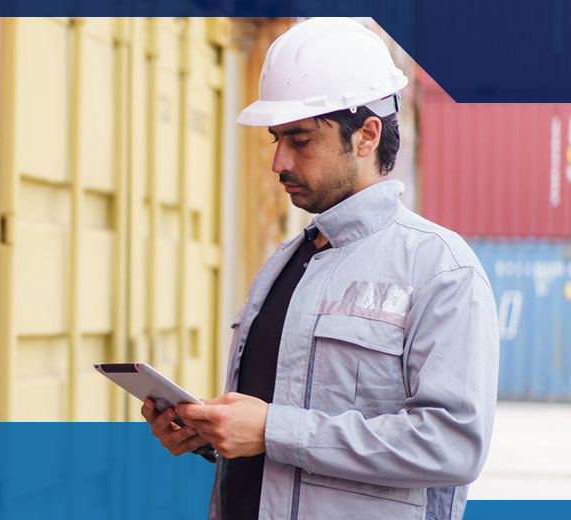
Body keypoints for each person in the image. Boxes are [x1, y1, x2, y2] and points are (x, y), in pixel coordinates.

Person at [141, 17, 499, 520]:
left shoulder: (441, 269)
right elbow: (277, 448)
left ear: (367, 136)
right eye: (276, 140)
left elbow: (452, 445)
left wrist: (271, 429)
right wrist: (211, 437)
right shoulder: (284, 264)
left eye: (301, 140)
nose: (279, 162)